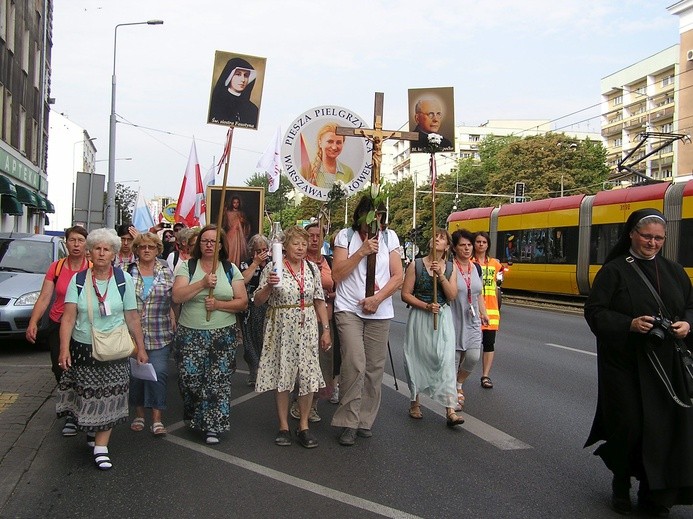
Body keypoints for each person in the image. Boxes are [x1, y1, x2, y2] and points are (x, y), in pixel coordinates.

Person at [584, 208, 693, 516]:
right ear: (631, 233)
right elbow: (595, 312)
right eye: (647, 236)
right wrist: (628, 324)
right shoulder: (614, 271)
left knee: (662, 430)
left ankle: (655, 495)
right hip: (625, 365)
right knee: (629, 426)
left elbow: (690, 307)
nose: (652, 243)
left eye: (659, 238)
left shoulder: (675, 271)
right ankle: (621, 483)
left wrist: (687, 326)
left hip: (666, 368)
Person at [56, 228, 148, 471]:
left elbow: (132, 316)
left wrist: (140, 348)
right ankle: (91, 430)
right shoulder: (78, 280)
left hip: (116, 349)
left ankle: (101, 448)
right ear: (90, 251)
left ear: (114, 254)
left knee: (111, 396)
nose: (101, 253)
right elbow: (67, 318)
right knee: (87, 396)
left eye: (107, 249)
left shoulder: (123, 279)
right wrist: (64, 349)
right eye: (97, 248)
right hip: (84, 347)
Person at [330, 197, 403, 446]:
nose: (374, 221)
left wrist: (377, 298)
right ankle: (347, 421)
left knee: (374, 368)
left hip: (378, 310)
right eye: (369, 216)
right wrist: (361, 252)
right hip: (349, 307)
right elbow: (337, 274)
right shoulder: (345, 237)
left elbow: (397, 276)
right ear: (360, 216)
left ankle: (365, 419)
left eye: (379, 216)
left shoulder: (390, 238)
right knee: (354, 362)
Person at [254, 226, 331, 448]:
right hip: (281, 327)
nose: (300, 248)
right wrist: (269, 284)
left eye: (303, 244)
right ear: (285, 246)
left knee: (307, 376)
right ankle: (283, 426)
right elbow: (258, 300)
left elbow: (318, 300)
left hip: (307, 327)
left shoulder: (311, 269)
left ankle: (304, 425)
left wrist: (325, 329)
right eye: (296, 243)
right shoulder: (273, 267)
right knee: (284, 376)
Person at [172, 224, 247, 445]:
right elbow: (177, 296)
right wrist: (203, 283)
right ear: (198, 244)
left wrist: (219, 305)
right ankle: (195, 416)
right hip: (190, 333)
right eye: (205, 240)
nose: (209, 245)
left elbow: (242, 302)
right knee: (190, 379)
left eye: (214, 241)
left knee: (218, 381)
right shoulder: (188, 267)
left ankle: (214, 424)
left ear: (221, 245)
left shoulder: (230, 268)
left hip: (223, 334)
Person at [26, 225, 90, 437]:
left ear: (86, 244)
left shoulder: (91, 267)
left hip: (83, 325)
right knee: (60, 368)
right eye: (72, 240)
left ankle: (79, 411)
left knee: (81, 369)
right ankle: (70, 410)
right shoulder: (57, 267)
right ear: (66, 242)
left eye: (80, 240)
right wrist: (33, 322)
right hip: (57, 323)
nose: (76, 244)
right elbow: (45, 297)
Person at [401, 229, 462, 426]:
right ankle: (415, 402)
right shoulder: (415, 265)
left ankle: (450, 409)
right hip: (421, 316)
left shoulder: (451, 268)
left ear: (447, 247)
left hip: (442, 317)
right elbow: (406, 294)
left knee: (445, 361)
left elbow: (452, 296)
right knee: (417, 357)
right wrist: (425, 305)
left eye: (442, 238)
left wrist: (441, 275)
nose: (437, 239)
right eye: (435, 236)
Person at [128, 232, 176, 437]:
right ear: (136, 250)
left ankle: (157, 419)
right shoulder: (126, 271)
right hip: (132, 334)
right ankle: (139, 414)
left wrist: (174, 314)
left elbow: (173, 297)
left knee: (159, 374)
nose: (146, 250)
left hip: (160, 331)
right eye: (142, 247)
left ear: (158, 249)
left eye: (151, 247)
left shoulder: (166, 272)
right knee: (137, 376)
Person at [289, 222, 337, 423]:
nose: (315, 240)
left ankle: (313, 403)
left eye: (319, 235)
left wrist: (333, 294)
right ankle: (297, 402)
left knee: (323, 366)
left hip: (325, 319)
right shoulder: (299, 262)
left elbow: (340, 285)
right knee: (301, 366)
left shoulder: (330, 262)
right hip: (302, 321)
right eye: (311, 236)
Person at [450, 229, 489, 411]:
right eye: (462, 245)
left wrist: (484, 312)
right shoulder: (450, 267)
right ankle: (452, 399)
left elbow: (478, 293)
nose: (467, 249)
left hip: (472, 319)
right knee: (455, 359)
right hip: (453, 318)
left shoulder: (476, 268)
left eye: (469, 245)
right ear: (455, 248)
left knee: (473, 356)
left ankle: (458, 383)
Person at [472, 231, 504, 389]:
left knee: (489, 344)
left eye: (484, 242)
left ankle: (485, 376)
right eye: (478, 242)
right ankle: (460, 375)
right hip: (473, 310)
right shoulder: (469, 262)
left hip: (491, 309)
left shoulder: (495, 264)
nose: (481, 245)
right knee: (470, 346)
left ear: (488, 245)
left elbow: (499, 281)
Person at [239, 234, 271, 386]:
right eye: (258, 250)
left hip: (269, 305)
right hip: (251, 307)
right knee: (250, 340)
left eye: (264, 249)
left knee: (266, 339)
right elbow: (242, 280)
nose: (262, 253)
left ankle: (267, 372)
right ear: (252, 251)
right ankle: (254, 371)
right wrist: (255, 263)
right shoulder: (246, 264)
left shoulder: (274, 263)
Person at [208, 57, 259, 128]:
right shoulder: (215, 103)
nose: (243, 80)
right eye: (238, 74)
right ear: (229, 76)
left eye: (246, 75)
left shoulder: (253, 109)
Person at [304, 123, 354, 189]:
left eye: (339, 142)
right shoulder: (305, 169)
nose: (334, 147)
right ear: (320, 143)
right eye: (330, 141)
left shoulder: (348, 172)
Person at [223, 194, 251, 267]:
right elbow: (225, 224)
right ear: (232, 203)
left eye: (237, 202)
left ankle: (237, 266)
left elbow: (246, 225)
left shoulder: (241, 213)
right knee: (230, 250)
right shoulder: (228, 213)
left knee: (239, 251)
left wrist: (243, 222)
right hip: (231, 234)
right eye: (234, 202)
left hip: (239, 234)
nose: (236, 204)